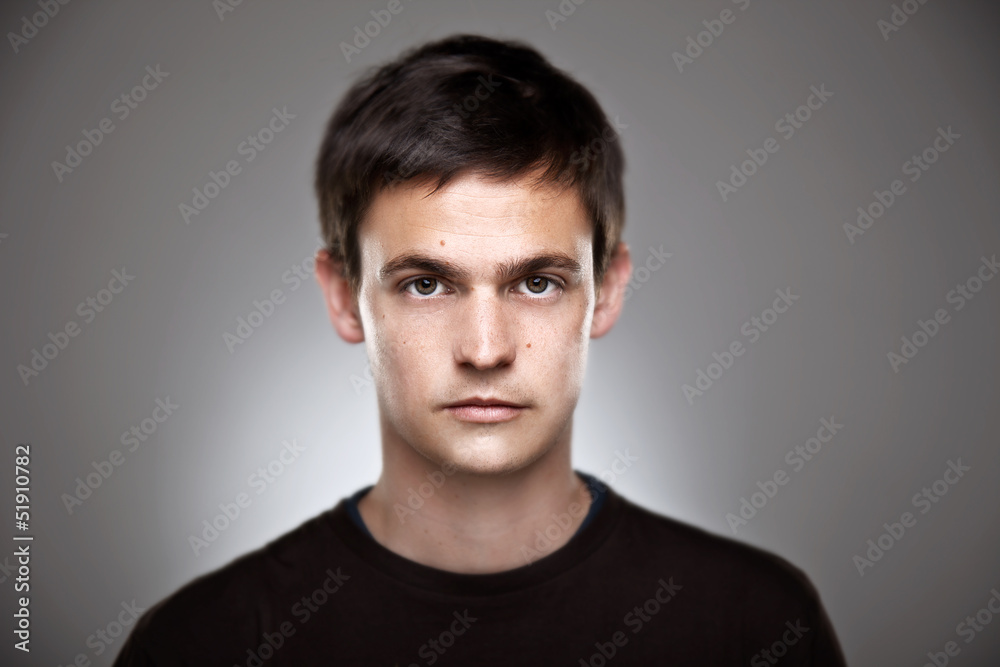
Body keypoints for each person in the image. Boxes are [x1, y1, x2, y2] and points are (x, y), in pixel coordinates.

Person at [114, 34, 846, 666]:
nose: (486, 349)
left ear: (607, 290)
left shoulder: (755, 625)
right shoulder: (203, 644)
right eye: (427, 284)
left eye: (537, 282)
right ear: (343, 295)